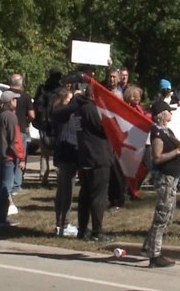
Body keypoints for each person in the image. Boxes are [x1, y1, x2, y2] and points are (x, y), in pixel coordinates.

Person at [143, 101, 180, 268]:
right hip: (165, 179)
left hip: (173, 178)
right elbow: (157, 157)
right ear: (162, 114)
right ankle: (154, 256)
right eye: (169, 111)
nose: (172, 113)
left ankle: (148, 245)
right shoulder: (157, 134)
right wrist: (177, 152)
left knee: (168, 216)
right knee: (161, 217)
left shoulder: (166, 131)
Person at [75, 85, 114, 242]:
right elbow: (104, 128)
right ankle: (97, 231)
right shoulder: (91, 109)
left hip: (85, 156)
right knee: (98, 195)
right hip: (97, 156)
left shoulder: (79, 108)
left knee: (85, 194)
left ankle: (82, 229)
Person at [0, 90, 26, 227]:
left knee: (0, 186)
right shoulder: (11, 117)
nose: (16, 102)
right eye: (14, 100)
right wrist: (21, 156)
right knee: (6, 187)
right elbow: (15, 139)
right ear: (9, 101)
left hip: (1, 154)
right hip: (9, 156)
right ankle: (1, 218)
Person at [50, 88, 80, 237]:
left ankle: (61, 223)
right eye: (69, 99)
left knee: (65, 189)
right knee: (65, 190)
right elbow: (73, 107)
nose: (71, 102)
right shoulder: (60, 112)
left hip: (71, 153)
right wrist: (78, 98)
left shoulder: (70, 114)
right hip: (65, 154)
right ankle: (63, 224)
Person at [34, 68, 63, 187]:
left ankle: (44, 177)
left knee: (44, 153)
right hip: (57, 123)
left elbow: (37, 105)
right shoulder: (61, 90)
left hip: (45, 124)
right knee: (59, 151)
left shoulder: (42, 89)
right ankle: (59, 176)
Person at [9, 73, 34, 195]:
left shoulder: (6, 94)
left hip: (7, 130)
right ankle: (17, 185)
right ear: (21, 82)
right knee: (20, 156)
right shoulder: (25, 96)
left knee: (8, 156)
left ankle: (7, 182)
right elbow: (32, 115)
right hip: (21, 129)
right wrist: (26, 121)